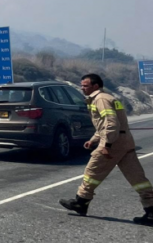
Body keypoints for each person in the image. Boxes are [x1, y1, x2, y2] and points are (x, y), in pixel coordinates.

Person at [59, 73, 153, 226]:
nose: (82, 88)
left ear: (95, 86)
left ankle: (81, 202)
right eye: (82, 85)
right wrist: (93, 140)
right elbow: (104, 125)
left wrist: (106, 145)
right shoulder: (106, 98)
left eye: (85, 85)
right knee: (137, 178)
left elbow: (110, 124)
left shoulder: (101, 99)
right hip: (124, 141)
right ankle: (151, 210)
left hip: (114, 142)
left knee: (92, 171)